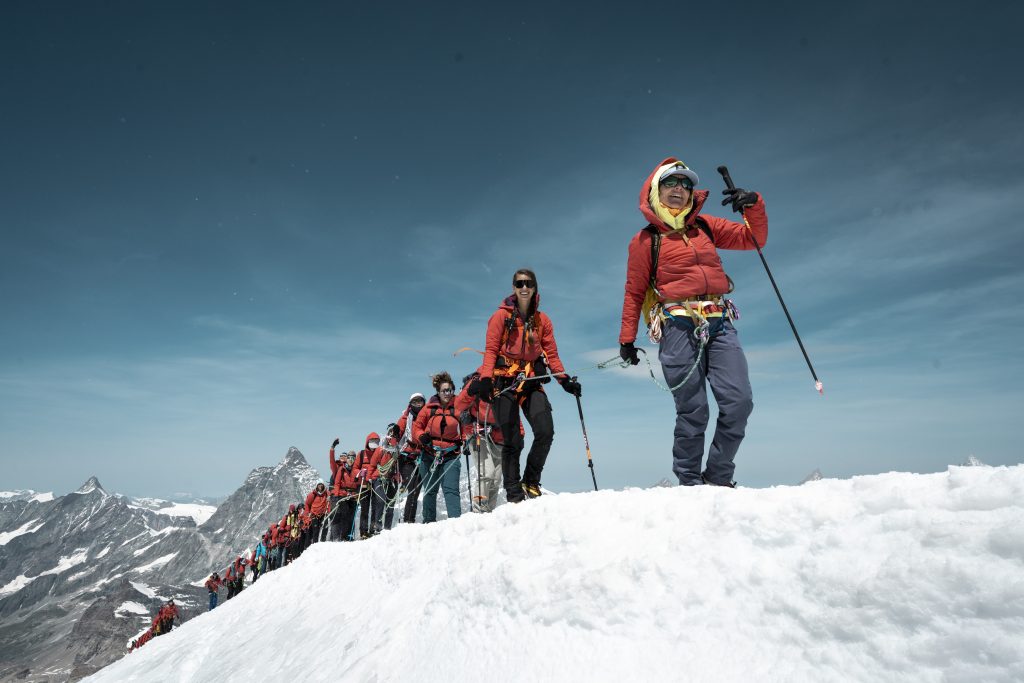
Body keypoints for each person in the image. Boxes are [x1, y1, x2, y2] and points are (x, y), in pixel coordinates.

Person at [618, 157, 766, 487]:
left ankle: (718, 476)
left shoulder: (706, 227)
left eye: (686, 184)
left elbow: (753, 239)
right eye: (671, 182)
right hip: (678, 327)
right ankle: (689, 483)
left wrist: (753, 204)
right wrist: (627, 340)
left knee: (739, 402)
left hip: (720, 323)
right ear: (656, 188)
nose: (679, 189)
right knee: (694, 409)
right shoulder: (646, 240)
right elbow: (635, 291)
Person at [475, 269, 580, 502]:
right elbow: (491, 350)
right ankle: (513, 492)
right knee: (512, 440)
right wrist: (485, 378)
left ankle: (531, 481)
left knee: (545, 431)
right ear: (513, 288)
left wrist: (564, 380)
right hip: (504, 382)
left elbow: (551, 354)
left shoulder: (542, 321)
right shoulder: (500, 317)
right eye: (519, 283)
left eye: (528, 283)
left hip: (530, 382)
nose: (524, 287)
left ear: (534, 288)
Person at [455, 368, 515, 512]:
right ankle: (479, 510)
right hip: (477, 434)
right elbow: (458, 406)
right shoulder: (477, 380)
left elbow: (513, 412)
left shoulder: (510, 381)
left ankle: (489, 511)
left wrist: (519, 434)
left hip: (499, 437)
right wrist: (465, 436)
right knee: (487, 472)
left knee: (496, 478)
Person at [413, 372, 464, 522]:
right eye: (444, 391)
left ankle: (456, 523)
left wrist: (466, 441)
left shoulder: (458, 408)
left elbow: (466, 426)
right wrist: (422, 436)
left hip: (451, 455)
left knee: (451, 490)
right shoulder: (428, 409)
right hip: (429, 454)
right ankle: (429, 523)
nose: (447, 393)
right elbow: (417, 428)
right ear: (438, 392)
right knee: (429, 490)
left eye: (450, 390)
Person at [395, 393, 427, 522]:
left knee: (417, 488)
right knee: (413, 487)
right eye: (415, 402)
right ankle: (409, 520)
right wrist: (395, 436)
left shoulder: (427, 417)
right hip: (407, 457)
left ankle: (410, 519)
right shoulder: (405, 418)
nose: (418, 405)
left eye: (420, 402)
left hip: (423, 456)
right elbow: (398, 432)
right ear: (410, 404)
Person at [369, 425, 400, 532]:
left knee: (390, 504)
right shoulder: (381, 449)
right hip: (378, 478)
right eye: (390, 432)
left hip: (391, 479)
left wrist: (397, 477)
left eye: (394, 433)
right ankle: (377, 526)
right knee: (381, 501)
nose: (392, 435)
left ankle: (387, 528)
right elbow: (372, 465)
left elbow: (397, 467)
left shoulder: (396, 451)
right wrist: (370, 478)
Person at [327, 442, 360, 540]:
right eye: (348, 457)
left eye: (352, 458)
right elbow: (337, 484)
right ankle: (336, 537)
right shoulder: (339, 469)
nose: (350, 460)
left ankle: (346, 536)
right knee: (337, 516)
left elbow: (357, 483)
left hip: (349, 496)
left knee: (349, 516)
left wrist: (355, 493)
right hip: (339, 495)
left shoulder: (353, 470)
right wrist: (332, 448)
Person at [354, 432, 381, 539]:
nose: (374, 444)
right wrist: (360, 472)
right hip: (364, 485)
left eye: (376, 442)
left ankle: (373, 528)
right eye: (372, 441)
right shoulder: (361, 454)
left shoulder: (380, 453)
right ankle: (363, 531)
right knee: (365, 509)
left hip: (375, 484)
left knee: (375, 507)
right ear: (367, 442)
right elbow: (355, 468)